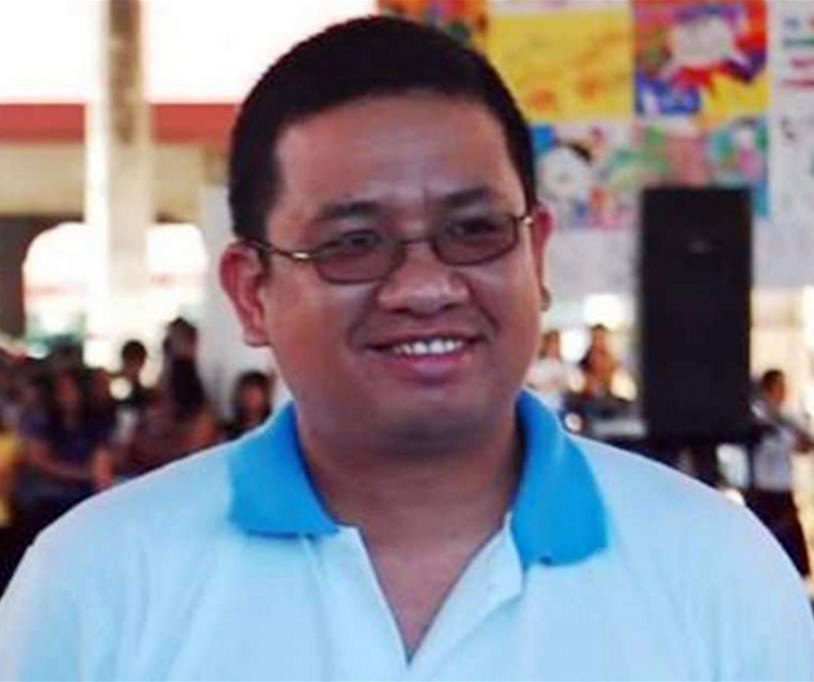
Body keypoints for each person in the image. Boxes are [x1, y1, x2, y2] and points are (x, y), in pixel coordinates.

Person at [0, 17, 812, 680]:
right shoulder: (100, 581)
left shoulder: (718, 570)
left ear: (535, 256)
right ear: (251, 292)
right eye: (354, 242)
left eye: (475, 229)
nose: (425, 286)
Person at [746, 369, 812, 577]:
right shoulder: (758, 418)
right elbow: (783, 444)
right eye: (779, 387)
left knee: (792, 558)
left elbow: (805, 443)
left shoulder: (786, 418)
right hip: (764, 491)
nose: (783, 391)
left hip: (783, 489)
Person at [222, 370, 274, 440]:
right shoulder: (228, 432)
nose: (249, 399)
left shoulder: (273, 428)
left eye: (253, 395)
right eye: (245, 393)